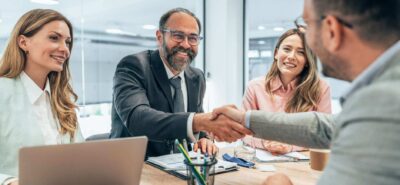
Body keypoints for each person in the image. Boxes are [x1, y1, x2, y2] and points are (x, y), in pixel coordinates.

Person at [213, 0, 400, 184]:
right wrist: (244, 119)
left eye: (307, 25)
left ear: (331, 30)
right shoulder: (381, 86)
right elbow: (324, 127)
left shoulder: (384, 100)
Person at [110, 8, 251, 157]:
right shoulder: (134, 66)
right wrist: (201, 121)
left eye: (193, 38)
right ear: (159, 37)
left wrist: (205, 139)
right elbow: (138, 119)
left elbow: (198, 122)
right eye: (178, 36)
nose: (185, 44)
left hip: (180, 167)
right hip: (135, 166)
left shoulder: (196, 77)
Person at [0, 9, 84, 185]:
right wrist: (9, 182)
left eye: (67, 42)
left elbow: (81, 155)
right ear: (23, 42)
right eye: (54, 38)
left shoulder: (62, 99)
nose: (65, 49)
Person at [242, 28, 331, 155]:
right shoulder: (255, 87)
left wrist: (290, 146)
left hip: (303, 166)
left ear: (307, 60)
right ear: (276, 53)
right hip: (262, 162)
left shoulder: (321, 88)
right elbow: (243, 132)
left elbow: (325, 135)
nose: (291, 57)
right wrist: (265, 143)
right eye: (287, 49)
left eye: (300, 52)